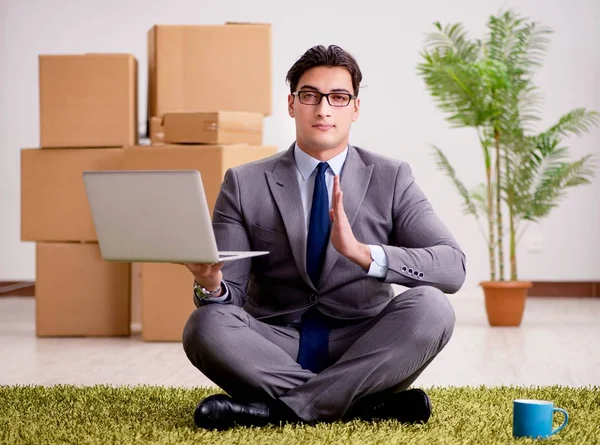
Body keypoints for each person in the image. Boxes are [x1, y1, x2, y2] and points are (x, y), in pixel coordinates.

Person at [182, 44, 466, 431]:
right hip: (274, 345)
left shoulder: (392, 177)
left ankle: (277, 412)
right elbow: (230, 295)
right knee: (205, 325)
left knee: (433, 307)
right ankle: (362, 406)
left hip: (363, 346)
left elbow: (453, 267)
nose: (323, 109)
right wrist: (211, 284)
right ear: (291, 104)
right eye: (310, 96)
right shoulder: (244, 183)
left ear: (355, 108)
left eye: (338, 97)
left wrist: (366, 254)